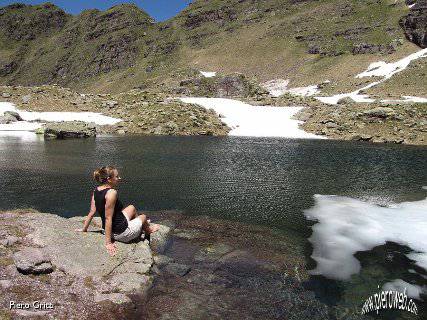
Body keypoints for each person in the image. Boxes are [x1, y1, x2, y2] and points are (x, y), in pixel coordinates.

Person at [76, 166, 159, 256]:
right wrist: (108, 243)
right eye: (117, 176)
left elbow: (91, 212)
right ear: (109, 179)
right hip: (121, 233)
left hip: (108, 230)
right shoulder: (112, 193)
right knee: (143, 217)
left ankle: (138, 228)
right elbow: (108, 218)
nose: (119, 178)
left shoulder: (96, 190)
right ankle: (148, 230)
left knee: (131, 207)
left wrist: (84, 229)